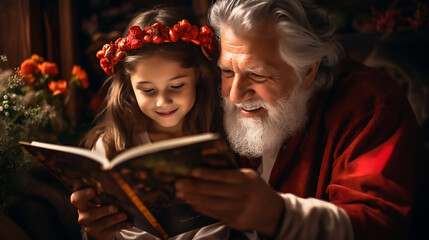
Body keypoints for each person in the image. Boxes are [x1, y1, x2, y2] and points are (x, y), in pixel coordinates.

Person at [172, 0, 425, 239]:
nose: (235, 94)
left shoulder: (370, 102)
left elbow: (380, 228)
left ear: (307, 70)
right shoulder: (210, 98)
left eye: (258, 75)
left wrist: (279, 216)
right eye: (227, 71)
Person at [70, 7, 231, 240]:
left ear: (197, 75)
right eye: (147, 90)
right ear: (128, 84)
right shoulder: (111, 145)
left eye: (177, 86)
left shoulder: (219, 136)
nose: (163, 101)